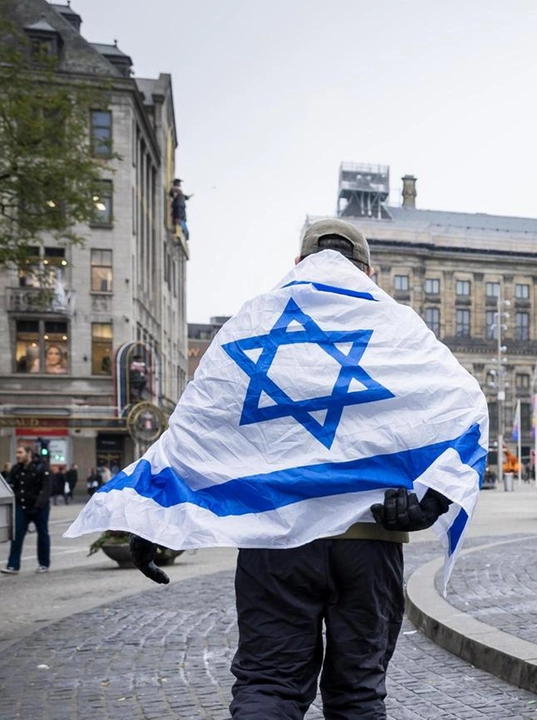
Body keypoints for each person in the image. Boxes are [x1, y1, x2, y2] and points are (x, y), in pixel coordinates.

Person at [126, 218, 456, 718]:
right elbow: (457, 409)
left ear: (298, 266)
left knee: (269, 685)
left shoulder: (256, 321)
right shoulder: (398, 327)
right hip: (369, 539)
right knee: (359, 694)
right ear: (369, 272)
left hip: (275, 540)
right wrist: (432, 500)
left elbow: (201, 420)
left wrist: (153, 510)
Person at [3, 446, 53, 574]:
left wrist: (39, 505)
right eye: (16, 452)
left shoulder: (42, 467)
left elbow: (47, 488)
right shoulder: (17, 469)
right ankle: (13, 565)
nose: (17, 455)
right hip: (22, 505)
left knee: (42, 534)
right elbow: (11, 486)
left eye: (20, 452)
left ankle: (44, 563)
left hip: (39, 507)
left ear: (28, 453)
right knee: (17, 534)